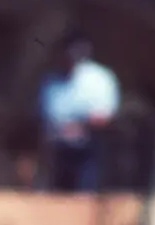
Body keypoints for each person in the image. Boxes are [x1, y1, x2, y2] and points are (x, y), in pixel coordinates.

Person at [37, 34, 120, 193]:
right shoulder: (51, 81)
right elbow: (44, 115)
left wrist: (80, 125)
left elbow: (107, 115)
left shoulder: (99, 79)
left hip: (90, 148)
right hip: (57, 148)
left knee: (84, 193)